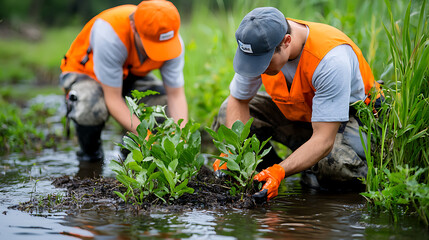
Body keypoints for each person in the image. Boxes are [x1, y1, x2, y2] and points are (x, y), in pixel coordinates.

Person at [212, 7, 382, 201]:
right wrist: (233, 153)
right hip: (303, 115)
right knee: (228, 110)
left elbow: (324, 140)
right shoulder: (257, 45)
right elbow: (238, 99)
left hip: (344, 123)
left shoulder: (331, 59)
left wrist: (281, 171)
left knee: (334, 165)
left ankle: (305, 171)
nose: (257, 69)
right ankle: (260, 175)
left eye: (264, 62)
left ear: (286, 42)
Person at [60, 0, 188, 162]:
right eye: (153, 45)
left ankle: (129, 152)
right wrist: (146, 137)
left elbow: (176, 95)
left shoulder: (172, 40)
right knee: (91, 107)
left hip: (129, 74)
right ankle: (90, 157)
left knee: (161, 106)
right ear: (134, 28)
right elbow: (113, 98)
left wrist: (181, 139)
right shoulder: (110, 33)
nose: (161, 52)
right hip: (87, 74)